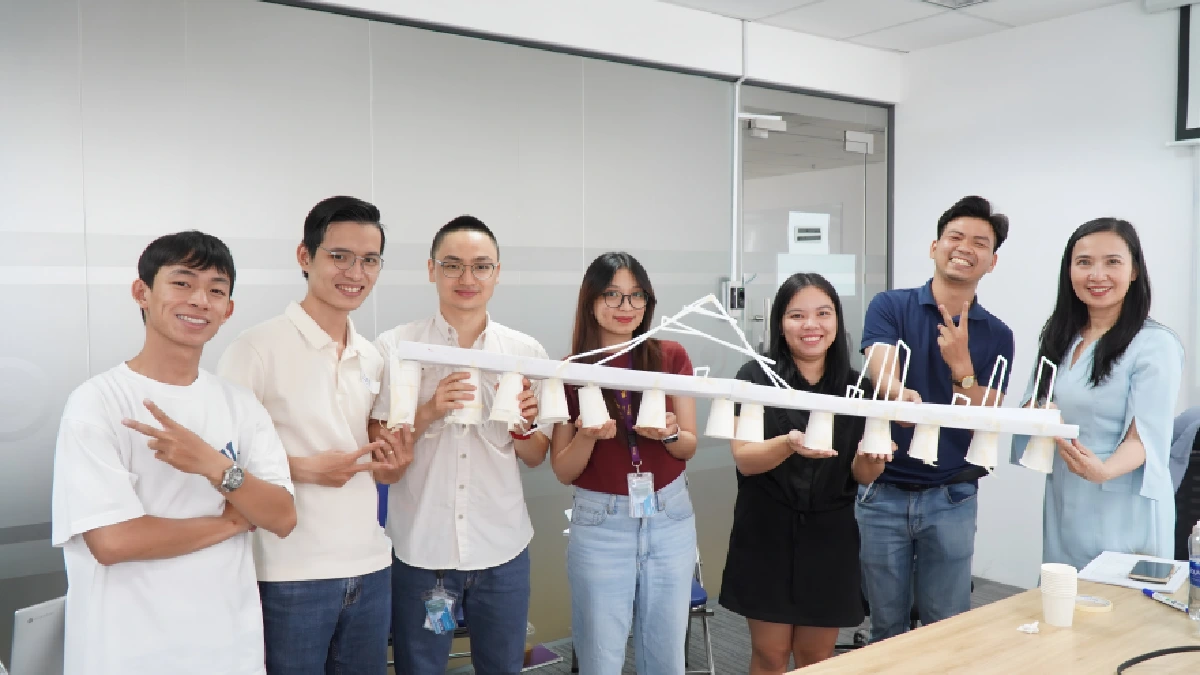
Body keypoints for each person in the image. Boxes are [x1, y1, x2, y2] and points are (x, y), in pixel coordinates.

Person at [50, 231, 297, 675]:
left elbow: (281, 516)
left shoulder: (240, 404)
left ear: (228, 309)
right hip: (128, 654)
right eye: (182, 283)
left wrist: (215, 466)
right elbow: (113, 542)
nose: (200, 300)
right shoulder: (97, 402)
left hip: (229, 650)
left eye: (216, 290)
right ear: (141, 292)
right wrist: (234, 520)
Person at [217, 197, 412, 674]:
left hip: (370, 563)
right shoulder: (255, 348)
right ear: (305, 257)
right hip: (288, 571)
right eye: (339, 256)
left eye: (370, 260)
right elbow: (219, 462)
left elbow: (381, 462)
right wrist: (303, 469)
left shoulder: (372, 356)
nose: (355, 273)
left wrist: (393, 465)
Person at [368, 215, 550, 675]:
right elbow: (381, 455)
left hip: (502, 546)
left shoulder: (525, 352)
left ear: (497, 273)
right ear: (431, 269)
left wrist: (523, 427)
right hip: (423, 548)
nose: (467, 278)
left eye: (481, 266)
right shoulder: (396, 347)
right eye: (452, 265)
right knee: (420, 668)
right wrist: (429, 409)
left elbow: (534, 456)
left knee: (502, 667)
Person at [857, 195, 1015, 642]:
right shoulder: (890, 306)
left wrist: (962, 367)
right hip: (883, 489)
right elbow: (880, 363)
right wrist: (899, 395)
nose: (964, 247)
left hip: (952, 496)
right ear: (934, 247)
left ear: (992, 262)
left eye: (979, 243)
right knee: (885, 628)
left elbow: (983, 416)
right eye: (955, 237)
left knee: (946, 628)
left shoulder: (998, 335)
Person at [719, 273, 891, 673]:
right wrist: (789, 443)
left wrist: (874, 458)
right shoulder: (754, 377)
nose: (811, 325)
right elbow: (745, 459)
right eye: (797, 315)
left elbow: (863, 474)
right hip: (766, 530)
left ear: (837, 320)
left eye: (822, 313)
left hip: (830, 535)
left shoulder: (858, 388)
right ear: (780, 323)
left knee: (816, 658)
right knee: (771, 654)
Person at [550, 252, 699, 675]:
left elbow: (688, 446)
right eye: (612, 294)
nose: (625, 306)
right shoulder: (570, 370)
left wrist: (669, 433)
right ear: (591, 301)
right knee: (601, 657)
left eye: (636, 296)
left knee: (666, 656)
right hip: (601, 523)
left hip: (669, 516)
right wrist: (587, 435)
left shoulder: (670, 356)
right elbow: (563, 470)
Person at [1010, 218, 1182, 570]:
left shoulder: (1155, 344)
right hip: (1067, 495)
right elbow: (1034, 400)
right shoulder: (1059, 337)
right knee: (1062, 594)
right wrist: (1041, 412)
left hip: (1123, 502)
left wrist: (1103, 470)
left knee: (1119, 599)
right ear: (1069, 270)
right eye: (1084, 262)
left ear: (1134, 271)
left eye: (1112, 262)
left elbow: (1145, 437)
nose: (1097, 275)